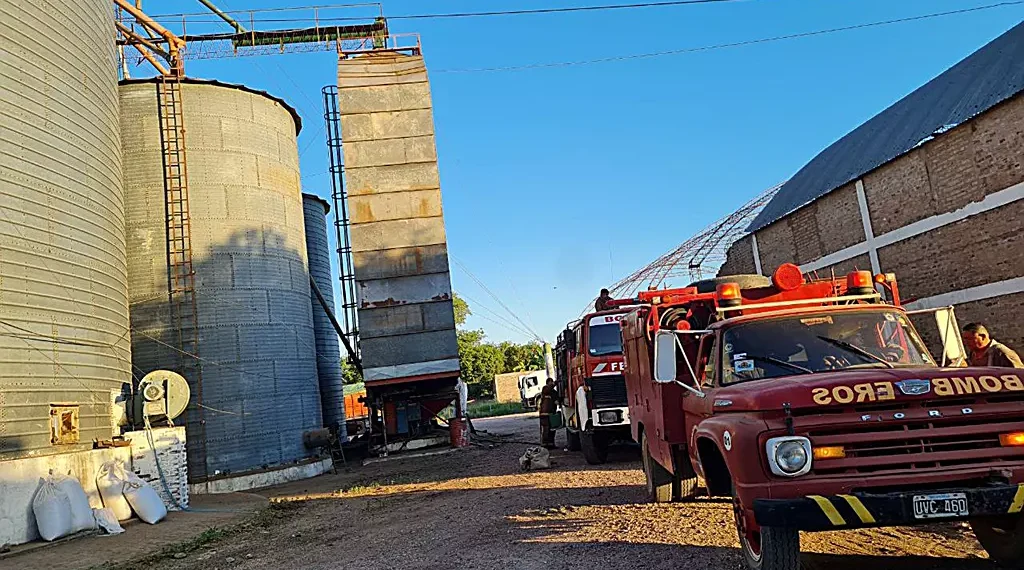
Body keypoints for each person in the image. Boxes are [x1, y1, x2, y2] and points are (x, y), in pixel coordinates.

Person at [538, 378, 559, 449]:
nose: (552, 384)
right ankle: (545, 445)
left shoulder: (553, 392)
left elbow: (557, 399)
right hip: (545, 414)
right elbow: (548, 389)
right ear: (548, 383)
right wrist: (555, 383)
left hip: (551, 414)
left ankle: (551, 444)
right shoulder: (545, 389)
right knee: (546, 429)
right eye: (551, 382)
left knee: (552, 430)